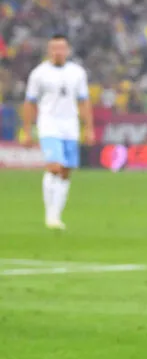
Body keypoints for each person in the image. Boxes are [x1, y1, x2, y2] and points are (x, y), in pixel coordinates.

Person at [21, 34, 91, 230]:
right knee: (54, 167)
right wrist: (27, 130)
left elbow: (84, 101)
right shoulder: (39, 74)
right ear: (48, 50)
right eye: (54, 48)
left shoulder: (77, 73)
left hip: (71, 126)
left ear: (67, 50)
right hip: (49, 124)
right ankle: (50, 215)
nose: (58, 52)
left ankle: (56, 214)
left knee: (66, 171)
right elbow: (30, 102)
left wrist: (88, 128)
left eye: (61, 48)